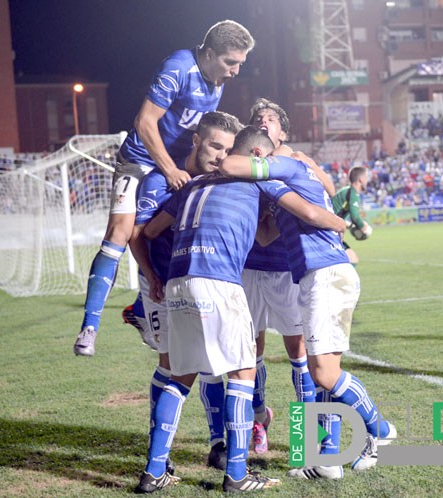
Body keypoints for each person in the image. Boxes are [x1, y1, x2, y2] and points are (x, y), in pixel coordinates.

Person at [132, 127, 346, 492]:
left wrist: (156, 274)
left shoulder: (192, 185)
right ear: (257, 156)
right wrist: (343, 226)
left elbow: (150, 231)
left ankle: (154, 472)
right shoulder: (259, 182)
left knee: (180, 376)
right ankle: (237, 473)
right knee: (246, 373)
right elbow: (309, 211)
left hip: (179, 281)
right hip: (222, 280)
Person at [220, 128, 397, 481]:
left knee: (323, 374)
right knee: (323, 374)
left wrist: (337, 222)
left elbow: (229, 166)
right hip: (317, 276)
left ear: (259, 153)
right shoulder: (281, 181)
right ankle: (325, 460)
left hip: (324, 276)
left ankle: (380, 430)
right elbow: (268, 234)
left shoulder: (283, 167)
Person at [73, 20, 255, 356]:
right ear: (210, 53)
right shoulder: (179, 68)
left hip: (171, 166)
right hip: (141, 160)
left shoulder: (216, 82)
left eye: (240, 63)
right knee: (120, 232)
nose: (235, 71)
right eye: (231, 62)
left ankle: (142, 309)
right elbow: (144, 122)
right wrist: (170, 168)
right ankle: (89, 327)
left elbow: (202, 134)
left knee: (175, 231)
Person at [128, 111, 242, 492]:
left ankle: (215, 446)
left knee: (204, 365)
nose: (220, 155)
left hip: (185, 280)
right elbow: (137, 234)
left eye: (227, 149)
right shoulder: (164, 180)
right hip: (163, 282)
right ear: (196, 141)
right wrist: (152, 277)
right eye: (214, 145)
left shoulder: (212, 181)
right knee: (174, 366)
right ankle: (161, 456)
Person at [241, 98, 333, 454]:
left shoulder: (294, 161)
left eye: (271, 118)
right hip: (248, 266)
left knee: (298, 351)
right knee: (251, 350)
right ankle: (259, 418)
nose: (264, 122)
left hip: (284, 267)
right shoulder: (246, 162)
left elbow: (328, 190)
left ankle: (304, 434)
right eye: (258, 118)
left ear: (282, 130)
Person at [331, 165, 372, 265]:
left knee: (350, 258)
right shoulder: (352, 193)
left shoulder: (347, 191)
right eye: (366, 178)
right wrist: (364, 229)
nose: (367, 181)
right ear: (361, 179)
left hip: (329, 230)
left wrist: (350, 226)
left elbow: (337, 213)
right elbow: (355, 216)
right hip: (329, 232)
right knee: (352, 259)